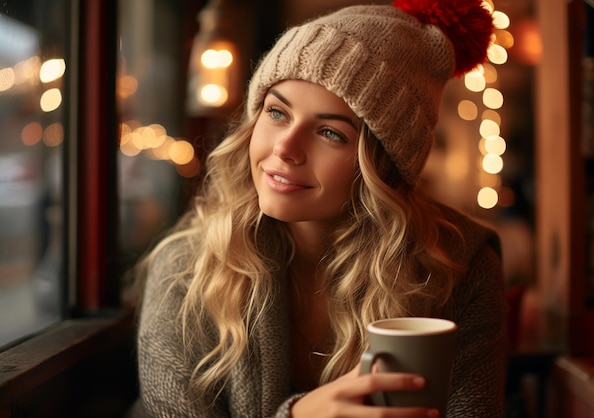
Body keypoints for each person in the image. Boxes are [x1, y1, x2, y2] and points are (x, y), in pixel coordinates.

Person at [132, 0, 506, 417]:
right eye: (276, 112)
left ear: (382, 165)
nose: (285, 148)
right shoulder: (187, 269)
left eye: (330, 132)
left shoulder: (458, 268)